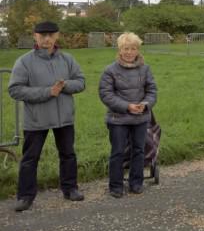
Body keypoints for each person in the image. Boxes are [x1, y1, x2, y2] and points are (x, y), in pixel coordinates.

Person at [9, 21, 86, 212]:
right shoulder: (24, 61)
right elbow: (15, 90)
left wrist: (65, 85)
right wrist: (47, 92)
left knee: (68, 154)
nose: (47, 39)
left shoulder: (67, 59)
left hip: (64, 118)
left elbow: (81, 82)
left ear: (57, 36)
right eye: (42, 35)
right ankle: (25, 196)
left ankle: (70, 189)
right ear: (35, 36)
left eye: (51, 35)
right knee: (30, 158)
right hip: (36, 120)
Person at [99, 32, 158, 198]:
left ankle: (136, 183)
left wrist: (145, 105)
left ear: (138, 50)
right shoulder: (110, 70)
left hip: (140, 118)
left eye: (133, 48)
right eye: (126, 48)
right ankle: (116, 186)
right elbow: (106, 94)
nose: (129, 52)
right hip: (118, 119)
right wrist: (127, 107)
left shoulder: (145, 69)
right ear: (120, 50)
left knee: (138, 150)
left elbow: (152, 91)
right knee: (117, 151)